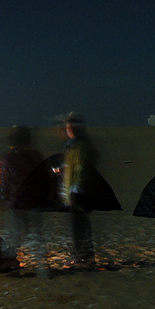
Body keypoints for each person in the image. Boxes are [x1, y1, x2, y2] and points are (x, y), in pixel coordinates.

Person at [0, 126, 47, 271]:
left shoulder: (8, 157)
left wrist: (2, 198)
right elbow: (44, 177)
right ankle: (42, 266)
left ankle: (12, 265)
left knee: (14, 237)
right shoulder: (36, 156)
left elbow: (4, 181)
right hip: (35, 202)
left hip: (16, 203)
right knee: (36, 235)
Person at [60, 111, 98, 267]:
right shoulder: (75, 146)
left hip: (79, 193)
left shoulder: (80, 146)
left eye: (71, 126)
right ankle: (83, 257)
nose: (69, 129)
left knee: (79, 228)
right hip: (76, 192)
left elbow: (82, 169)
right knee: (79, 227)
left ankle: (83, 259)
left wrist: (75, 190)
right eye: (68, 126)